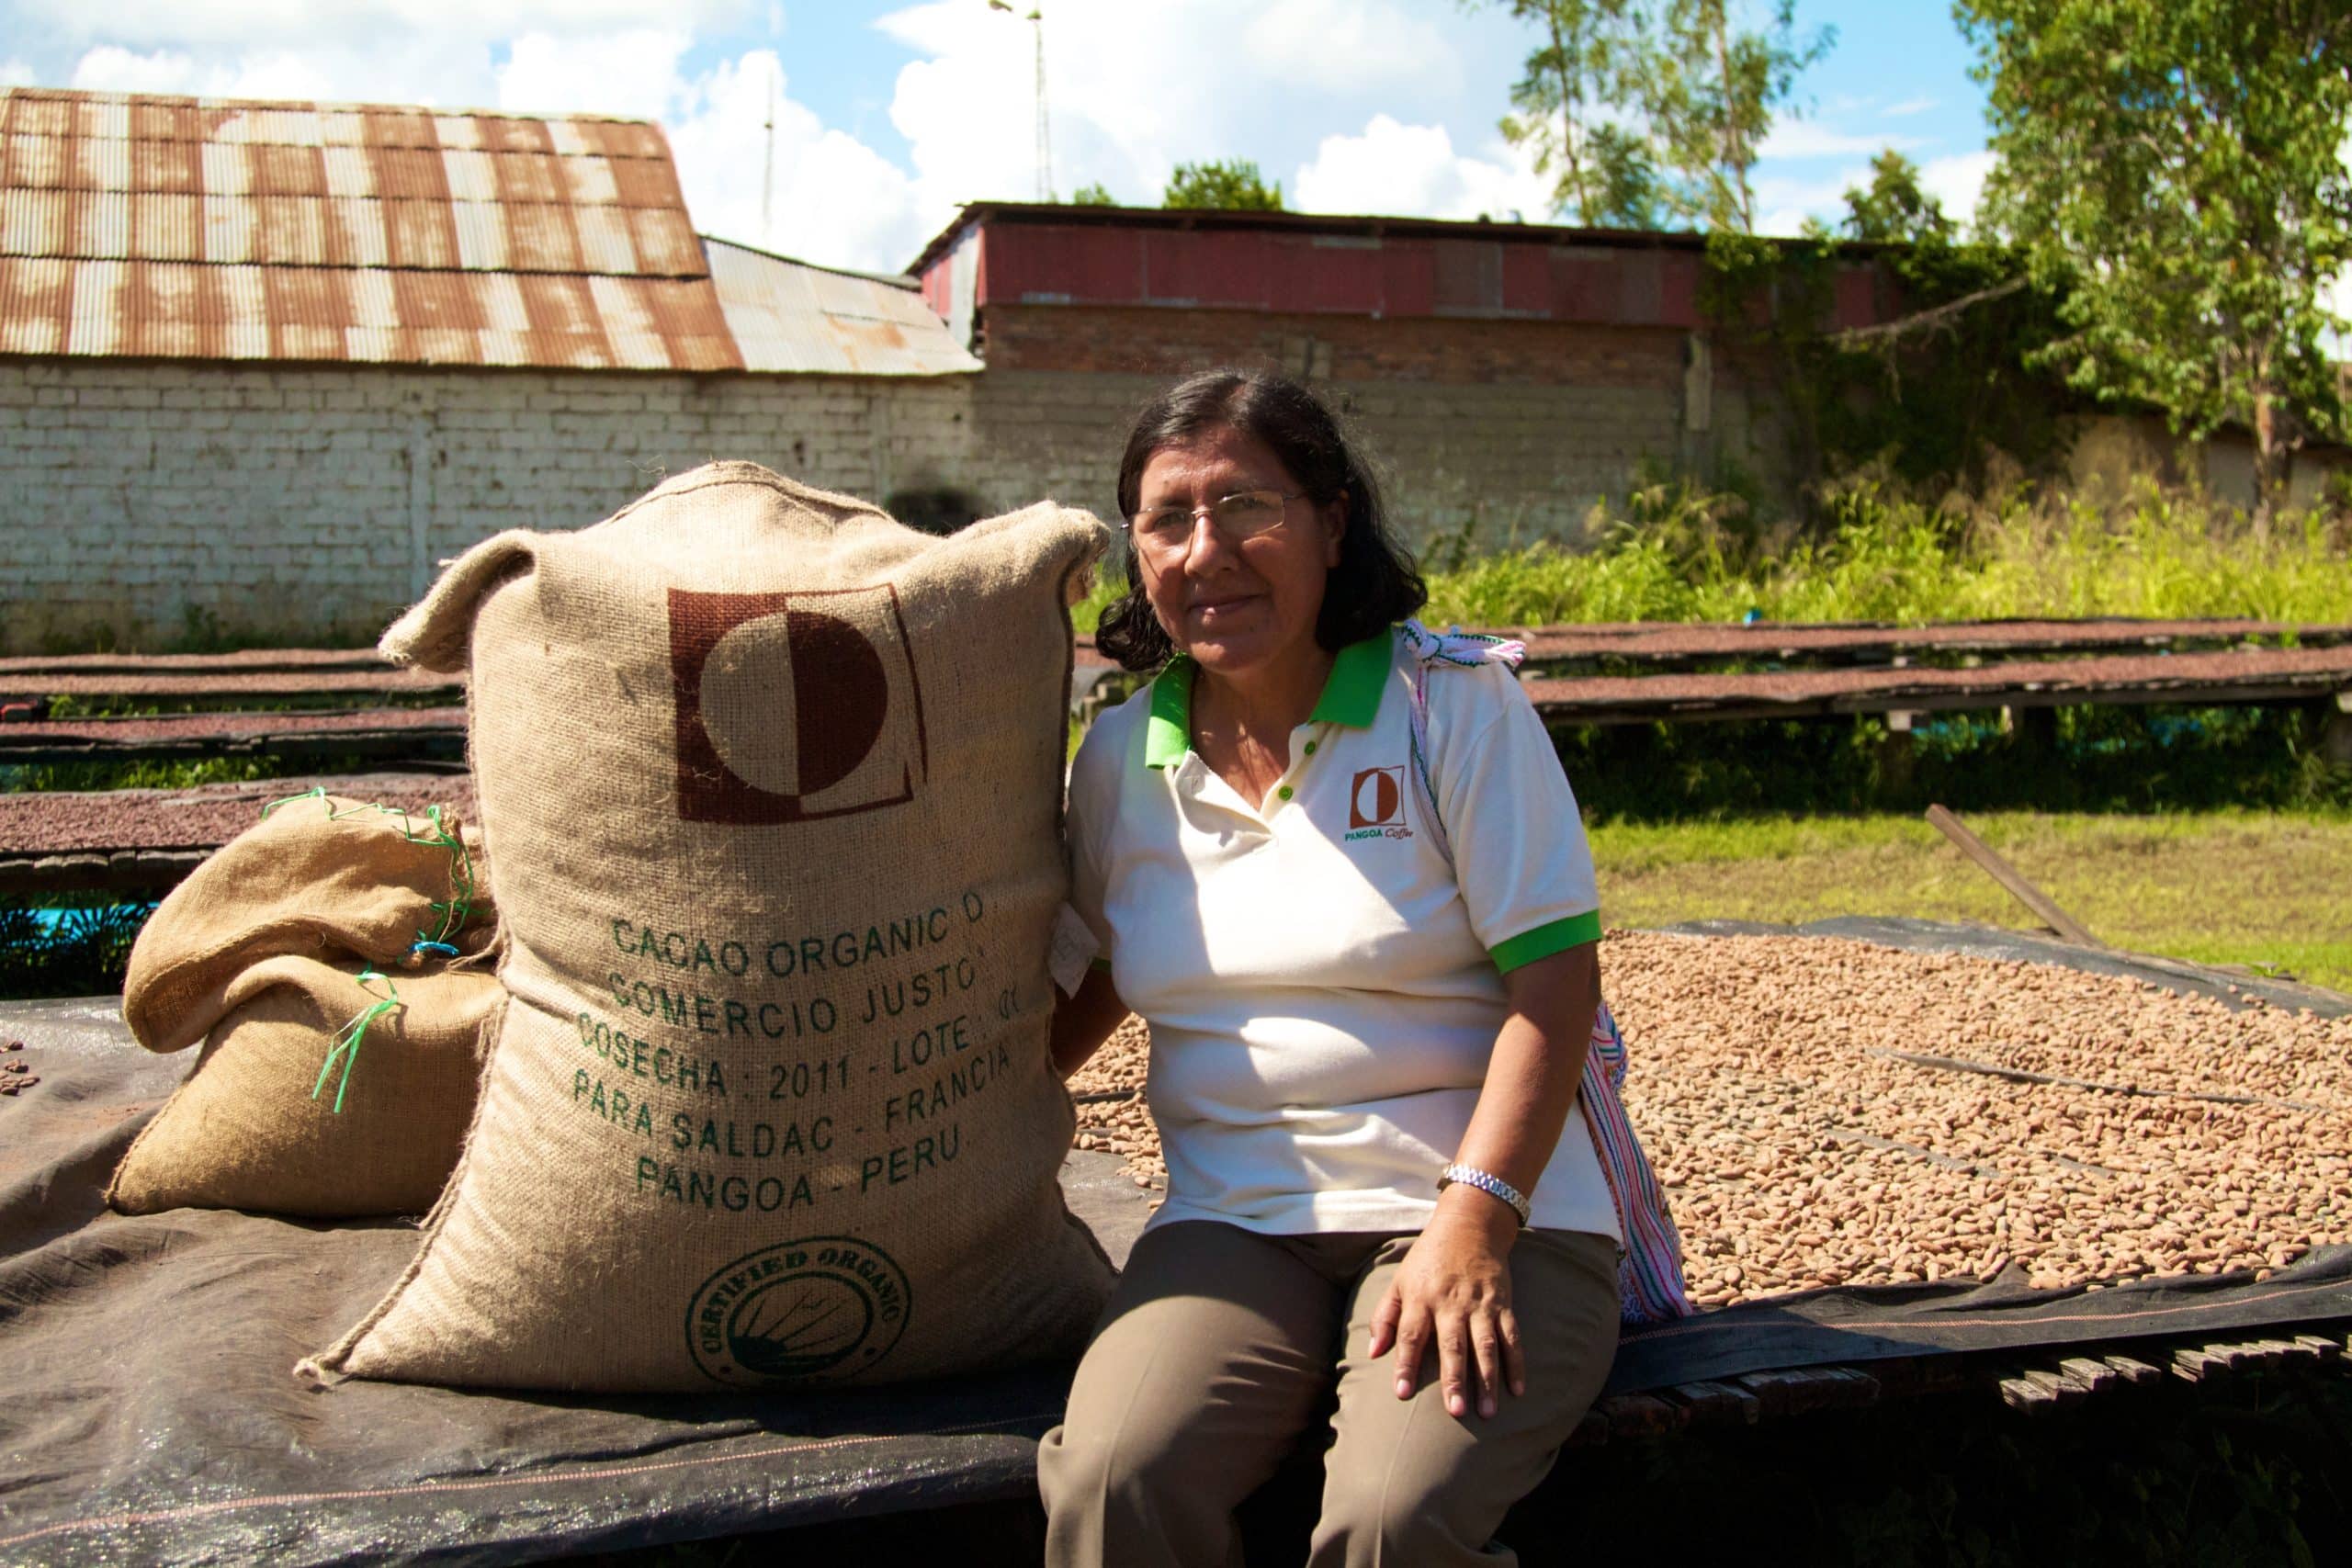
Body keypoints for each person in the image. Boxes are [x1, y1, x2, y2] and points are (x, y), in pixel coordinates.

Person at [1039, 367, 1680, 1568]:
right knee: (1116, 1484)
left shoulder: (1453, 706)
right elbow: (1104, 969)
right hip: (1236, 1219)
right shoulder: (1121, 755)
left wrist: (1475, 1225)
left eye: (1249, 507)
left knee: (1394, 1523)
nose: (1206, 550)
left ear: (1335, 523)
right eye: (1167, 519)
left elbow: (1557, 986)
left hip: (1492, 1208)